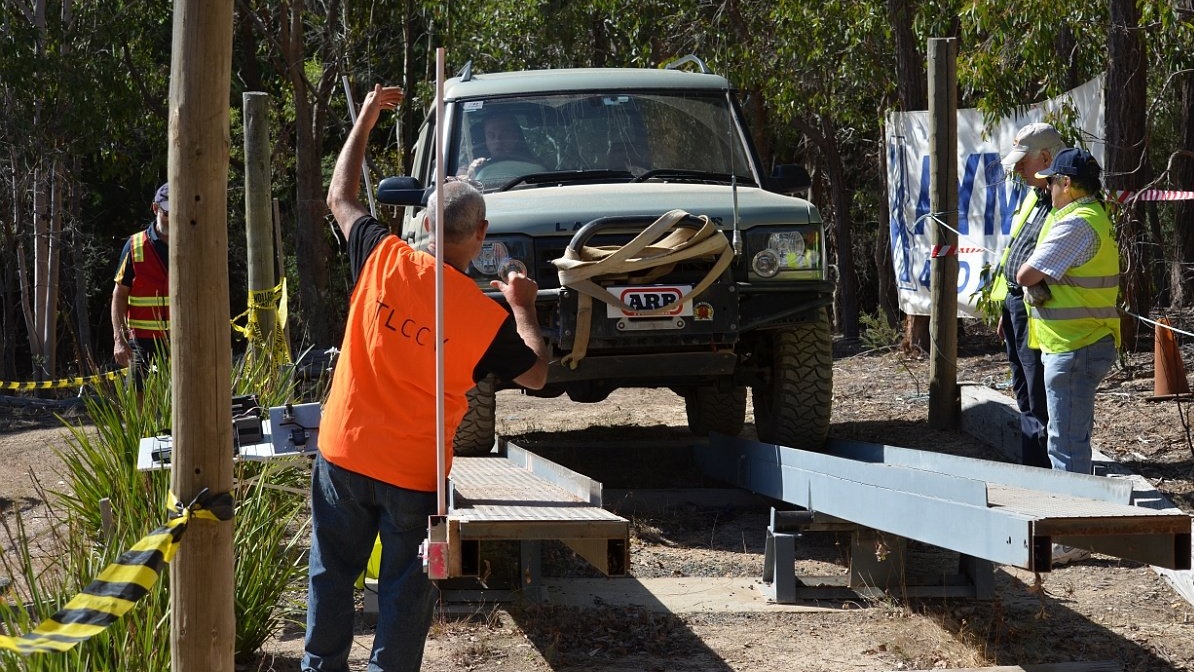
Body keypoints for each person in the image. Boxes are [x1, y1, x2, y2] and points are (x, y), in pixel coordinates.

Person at [303, 84, 549, 672]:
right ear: (480, 234)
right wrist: (523, 308)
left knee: (331, 576)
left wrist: (365, 119)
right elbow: (539, 374)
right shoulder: (485, 319)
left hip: (344, 453)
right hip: (414, 475)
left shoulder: (381, 255)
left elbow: (339, 195)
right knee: (404, 593)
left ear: (426, 222)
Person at [1016, 147, 1119, 564]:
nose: (1047, 191)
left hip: (1076, 345)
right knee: (1069, 439)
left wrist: (1029, 278)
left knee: (1067, 444)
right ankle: (1075, 526)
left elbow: (1026, 273)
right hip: (1079, 342)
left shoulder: (1076, 223)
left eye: (1052, 183)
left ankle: (1074, 534)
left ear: (1067, 184)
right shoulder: (1089, 215)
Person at [991, 122, 1066, 468]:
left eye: (1024, 161)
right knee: (1024, 389)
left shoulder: (1064, 202)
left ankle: (1040, 469)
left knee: (1037, 394)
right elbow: (1016, 252)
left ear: (1047, 158)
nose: (1019, 169)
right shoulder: (1036, 197)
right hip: (1017, 305)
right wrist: (1006, 309)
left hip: (1038, 309)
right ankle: (1032, 465)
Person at [111, 182, 171, 388]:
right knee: (139, 395)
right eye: (167, 213)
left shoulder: (192, 245)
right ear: (155, 208)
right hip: (144, 344)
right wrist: (119, 339)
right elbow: (119, 295)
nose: (172, 219)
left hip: (184, 339)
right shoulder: (135, 245)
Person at [464, 112, 545, 184]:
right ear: (485, 140)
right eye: (491, 135)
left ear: (516, 136)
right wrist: (470, 175)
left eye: (505, 133)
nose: (497, 140)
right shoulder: (476, 168)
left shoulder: (538, 171)